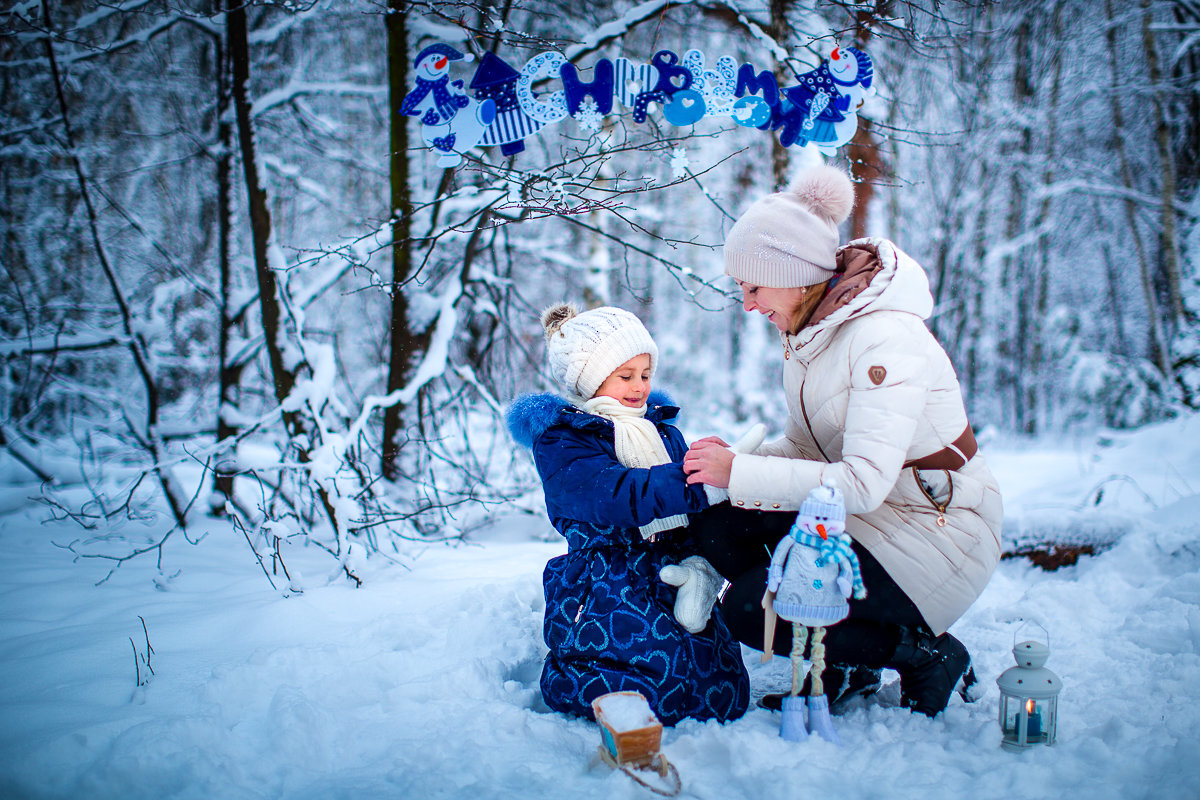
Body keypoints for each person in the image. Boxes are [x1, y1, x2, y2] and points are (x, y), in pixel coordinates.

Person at [682, 165, 1003, 717]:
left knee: (750, 609)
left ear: (797, 274)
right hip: (871, 520)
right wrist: (735, 463)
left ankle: (924, 653)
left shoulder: (883, 338)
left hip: (934, 533)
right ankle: (846, 667)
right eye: (741, 287)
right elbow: (807, 453)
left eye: (755, 286)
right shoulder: (811, 336)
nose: (748, 304)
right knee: (718, 528)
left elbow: (861, 482)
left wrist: (739, 473)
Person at [505, 303, 750, 726]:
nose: (639, 387)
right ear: (590, 378)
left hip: (669, 566)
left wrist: (714, 474)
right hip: (604, 576)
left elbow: (684, 508)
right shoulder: (564, 440)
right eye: (625, 376)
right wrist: (695, 481)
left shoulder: (661, 428)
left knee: (714, 682)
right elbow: (617, 495)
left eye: (645, 374)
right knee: (636, 669)